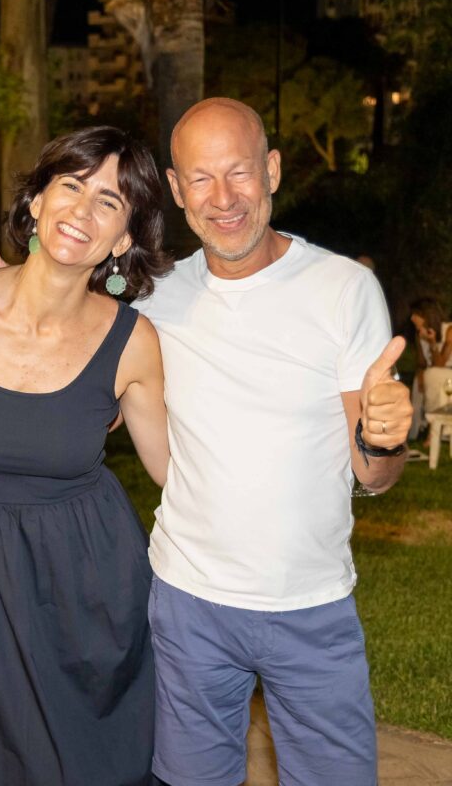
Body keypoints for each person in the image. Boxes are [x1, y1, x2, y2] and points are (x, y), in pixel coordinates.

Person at [133, 98, 413, 786]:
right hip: (188, 601)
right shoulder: (154, 296)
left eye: (240, 172)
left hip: (312, 605)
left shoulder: (345, 288)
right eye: (201, 178)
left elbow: (374, 476)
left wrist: (383, 439)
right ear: (175, 190)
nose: (223, 198)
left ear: (273, 171)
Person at [0, 126, 171, 786]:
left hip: (92, 588)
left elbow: (175, 473)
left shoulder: (134, 341)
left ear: (123, 239)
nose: (83, 210)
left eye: (110, 202)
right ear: (37, 201)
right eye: (71, 186)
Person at [408, 298, 452, 439]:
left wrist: (432, 342)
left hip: (448, 374)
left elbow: (440, 364)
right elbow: (421, 363)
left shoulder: (449, 330)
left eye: (415, 314)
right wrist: (420, 375)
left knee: (432, 375)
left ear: (426, 315)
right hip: (432, 372)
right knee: (419, 381)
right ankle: (416, 430)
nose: (412, 318)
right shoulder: (420, 334)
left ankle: (435, 429)